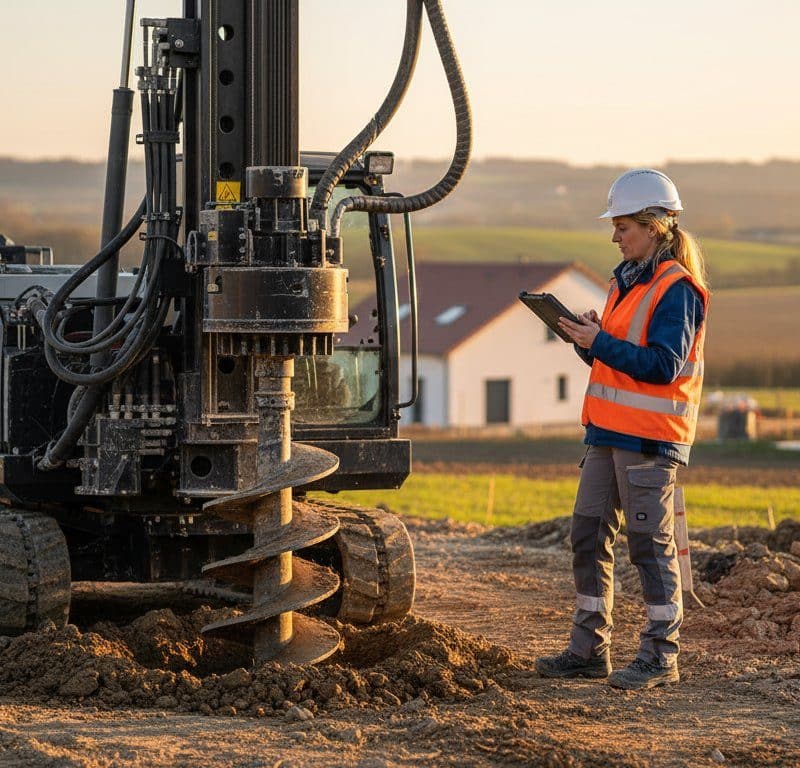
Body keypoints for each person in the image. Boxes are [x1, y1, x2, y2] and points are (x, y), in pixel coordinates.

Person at [535, 169, 709, 690]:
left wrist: (602, 342)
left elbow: (661, 365)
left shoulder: (676, 289)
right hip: (607, 434)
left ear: (654, 226)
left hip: (650, 439)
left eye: (623, 226)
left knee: (648, 546)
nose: (615, 236)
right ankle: (589, 650)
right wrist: (587, 340)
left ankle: (661, 655)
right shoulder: (625, 281)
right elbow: (614, 364)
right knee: (586, 535)